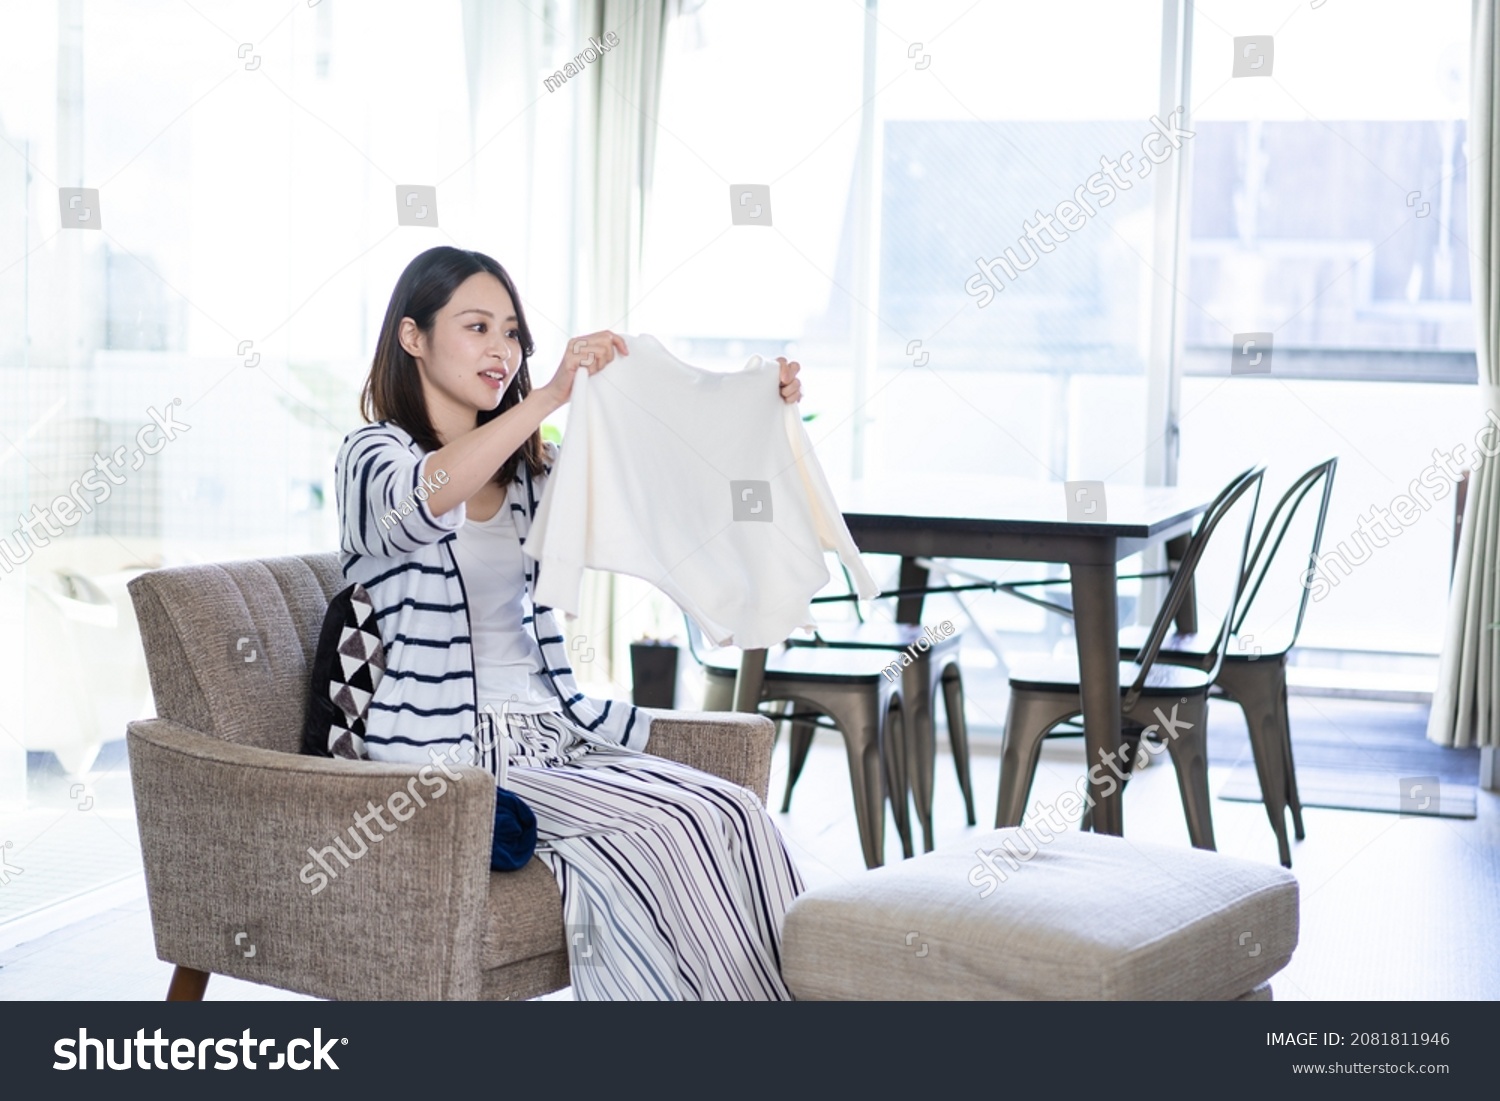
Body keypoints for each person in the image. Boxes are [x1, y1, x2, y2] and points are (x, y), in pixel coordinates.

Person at [335, 245, 806, 1000]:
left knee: (735, 809)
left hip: (552, 734)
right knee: (664, 825)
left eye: (513, 332)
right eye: (478, 326)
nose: (502, 350)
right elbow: (425, 497)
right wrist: (551, 392)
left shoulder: (533, 471)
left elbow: (674, 484)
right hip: (447, 758)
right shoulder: (372, 456)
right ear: (412, 337)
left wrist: (757, 403)